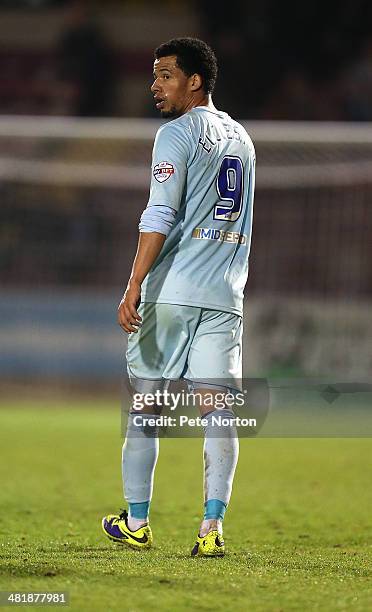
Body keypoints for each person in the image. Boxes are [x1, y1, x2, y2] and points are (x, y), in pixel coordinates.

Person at [102, 38, 255, 557]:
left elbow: (160, 214)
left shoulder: (176, 134)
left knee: (145, 409)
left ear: (195, 82)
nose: (155, 85)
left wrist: (134, 284)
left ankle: (137, 522)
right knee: (220, 415)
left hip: (173, 295)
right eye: (153, 75)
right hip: (225, 298)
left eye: (166, 75)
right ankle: (212, 530)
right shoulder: (242, 139)